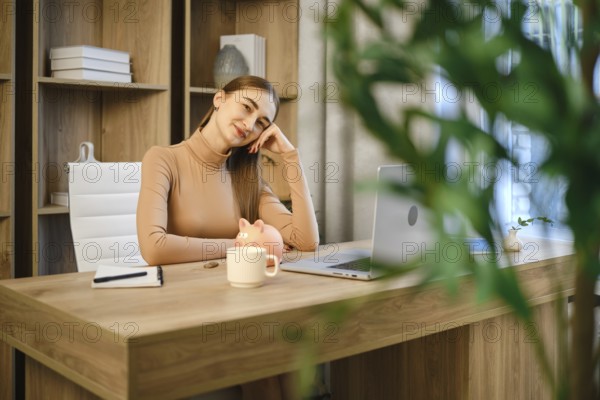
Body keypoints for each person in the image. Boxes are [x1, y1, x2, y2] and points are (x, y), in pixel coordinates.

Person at [137, 75, 320, 265]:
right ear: (219, 99)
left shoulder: (249, 183)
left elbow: (307, 241)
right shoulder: (162, 159)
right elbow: (153, 248)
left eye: (260, 123)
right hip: (181, 291)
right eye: (247, 107)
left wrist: (290, 156)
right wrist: (243, 245)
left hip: (237, 289)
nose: (249, 125)